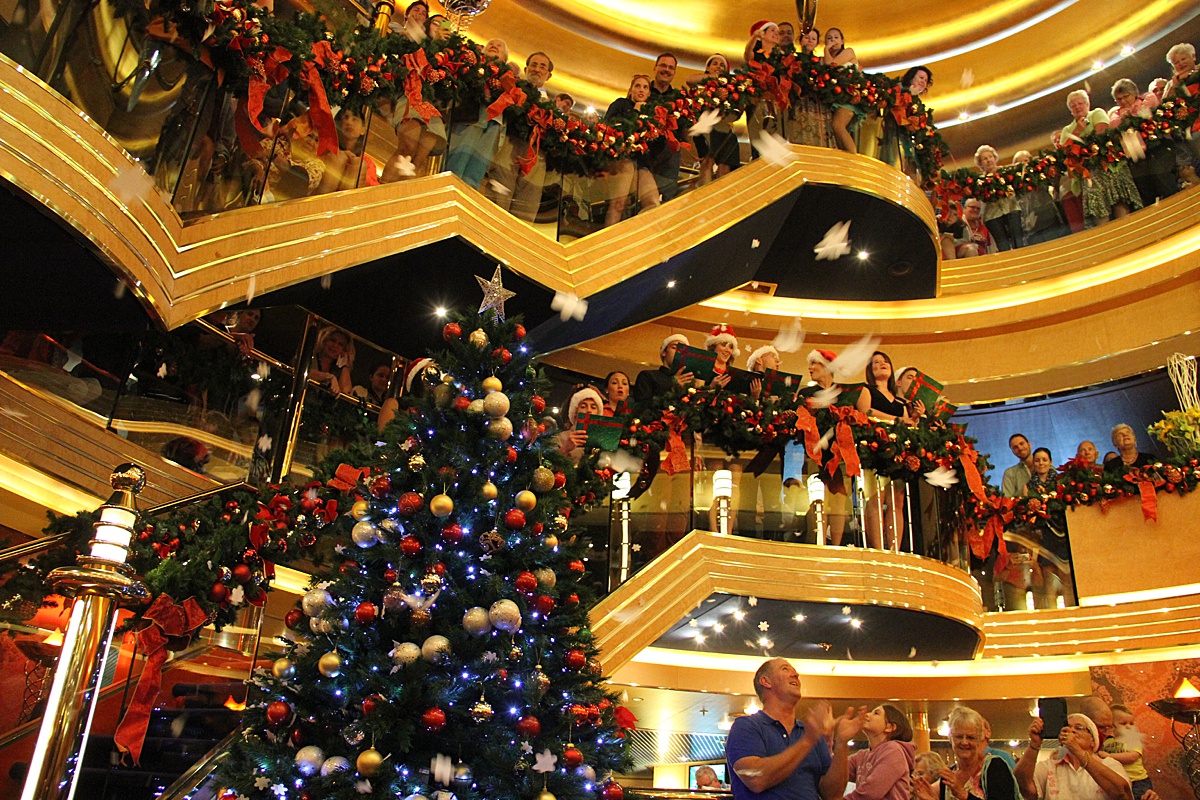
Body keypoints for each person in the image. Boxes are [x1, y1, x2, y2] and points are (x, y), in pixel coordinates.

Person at [725, 657, 865, 800]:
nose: (795, 675)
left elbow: (832, 795)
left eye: (795, 671)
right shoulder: (746, 726)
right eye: (785, 669)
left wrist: (841, 744)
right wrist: (807, 741)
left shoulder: (810, 732)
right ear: (765, 681)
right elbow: (756, 779)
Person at [1052, 89, 1142, 228]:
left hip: (1111, 168)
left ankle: (1128, 235)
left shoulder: (1097, 113)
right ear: (1070, 110)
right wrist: (1078, 132)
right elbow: (1067, 153)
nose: (1077, 107)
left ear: (1087, 104)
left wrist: (1078, 143)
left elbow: (1102, 133)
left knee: (1120, 205)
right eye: (1073, 106)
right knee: (1100, 213)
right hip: (1090, 176)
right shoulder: (1067, 130)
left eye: (1080, 103)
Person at [484, 51, 556, 221]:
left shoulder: (551, 110)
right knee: (496, 207)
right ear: (526, 68)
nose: (537, 69)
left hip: (535, 162)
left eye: (542, 66)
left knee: (524, 214)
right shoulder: (514, 90)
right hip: (508, 152)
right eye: (533, 65)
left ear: (549, 75)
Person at [1015, 713, 1132, 800]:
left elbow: (1122, 793)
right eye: (1067, 727)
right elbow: (1024, 787)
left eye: (1079, 727)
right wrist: (1034, 745)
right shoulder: (1049, 767)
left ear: (1093, 740)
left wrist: (1077, 751)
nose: (1071, 730)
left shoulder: (1109, 764)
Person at [444, 38, 510, 189]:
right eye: (491, 44)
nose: (494, 46)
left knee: (476, 171)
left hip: (494, 125)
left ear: (505, 58)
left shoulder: (508, 80)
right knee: (457, 162)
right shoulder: (473, 67)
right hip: (469, 118)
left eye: (499, 45)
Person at [913, 707, 1018, 800]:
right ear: (950, 738)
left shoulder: (995, 767)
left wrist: (963, 795)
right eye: (959, 736)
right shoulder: (948, 776)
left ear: (980, 739)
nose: (964, 742)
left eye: (970, 737)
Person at [604, 75, 662, 225]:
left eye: (645, 87)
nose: (641, 90)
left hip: (642, 163)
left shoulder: (652, 113)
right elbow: (609, 128)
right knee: (618, 204)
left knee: (653, 203)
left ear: (649, 93)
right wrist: (635, 113)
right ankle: (606, 243)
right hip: (623, 158)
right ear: (630, 90)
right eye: (637, 86)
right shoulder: (621, 104)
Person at [687, 55, 741, 185]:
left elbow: (738, 112)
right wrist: (716, 78)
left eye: (721, 65)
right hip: (704, 129)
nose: (718, 67)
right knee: (706, 163)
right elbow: (689, 80)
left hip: (724, 131)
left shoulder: (731, 89)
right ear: (707, 67)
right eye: (715, 63)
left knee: (725, 168)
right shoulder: (700, 84)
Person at [845, 705, 915, 800]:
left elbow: (870, 793)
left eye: (876, 713)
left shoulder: (894, 750)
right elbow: (831, 769)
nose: (867, 715)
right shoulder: (862, 755)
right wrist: (835, 738)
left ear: (889, 727)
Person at [648, 53, 686, 202]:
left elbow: (685, 129)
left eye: (671, 67)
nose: (667, 70)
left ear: (674, 72)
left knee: (666, 201)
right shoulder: (643, 91)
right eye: (663, 65)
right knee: (638, 199)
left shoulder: (679, 99)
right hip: (644, 154)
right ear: (655, 68)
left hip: (670, 157)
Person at [787, 27, 833, 148]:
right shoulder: (792, 59)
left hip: (819, 105)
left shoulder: (820, 61)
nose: (810, 41)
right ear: (801, 40)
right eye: (807, 38)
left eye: (813, 38)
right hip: (799, 103)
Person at [974, 146, 1022, 251]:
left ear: (995, 158)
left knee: (1018, 242)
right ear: (980, 164)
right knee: (1003, 245)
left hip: (1011, 208)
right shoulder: (980, 181)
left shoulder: (1007, 172)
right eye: (985, 159)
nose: (988, 160)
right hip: (992, 215)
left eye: (990, 157)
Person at [1013, 150, 1066, 246]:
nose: (1024, 165)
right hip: (1031, 227)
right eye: (1020, 163)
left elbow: (1056, 182)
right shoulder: (1014, 184)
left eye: (1026, 160)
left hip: (1050, 219)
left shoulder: (1042, 173)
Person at [822, 28, 860, 153]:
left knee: (838, 125)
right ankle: (845, 158)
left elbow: (831, 65)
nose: (833, 40)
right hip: (836, 96)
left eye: (836, 37)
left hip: (849, 95)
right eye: (829, 38)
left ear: (842, 40)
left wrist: (826, 50)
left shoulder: (848, 52)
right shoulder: (825, 57)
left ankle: (854, 157)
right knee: (836, 131)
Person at [633, 333, 694, 405]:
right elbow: (643, 407)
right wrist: (673, 387)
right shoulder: (647, 376)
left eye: (683, 350)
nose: (679, 352)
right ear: (664, 352)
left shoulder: (688, 383)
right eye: (674, 347)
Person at [1106, 705, 1152, 800]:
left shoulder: (1132, 738)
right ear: (1111, 725)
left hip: (1137, 781)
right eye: (1123, 723)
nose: (1128, 726)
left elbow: (1132, 757)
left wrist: (1109, 756)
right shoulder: (1107, 742)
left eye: (1131, 723)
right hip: (1118, 782)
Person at [557, 385, 605, 465]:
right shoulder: (561, 438)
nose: (589, 410)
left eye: (593, 407)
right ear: (575, 413)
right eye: (583, 407)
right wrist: (565, 449)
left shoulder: (604, 440)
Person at [310, 326, 354, 395]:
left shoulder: (338, 370)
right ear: (324, 340)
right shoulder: (310, 356)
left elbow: (346, 394)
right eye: (333, 340)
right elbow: (301, 370)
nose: (335, 346)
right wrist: (329, 377)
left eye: (340, 344)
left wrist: (345, 367)